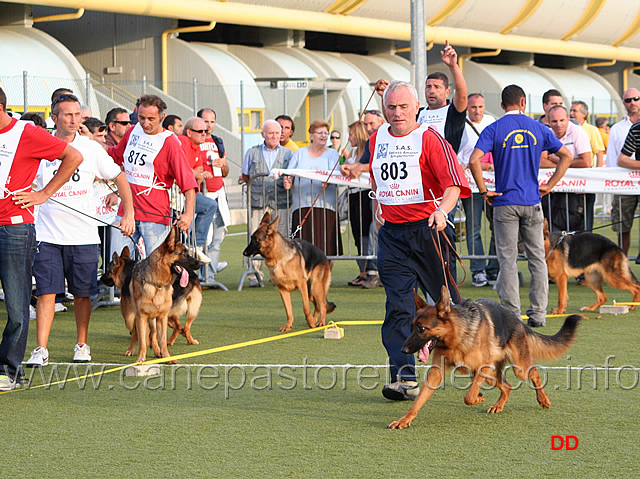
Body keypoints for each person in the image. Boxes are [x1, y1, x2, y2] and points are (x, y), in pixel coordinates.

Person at [369, 80, 470, 401]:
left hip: (429, 230)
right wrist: (377, 208)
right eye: (391, 107)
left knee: (449, 305)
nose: (397, 114)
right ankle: (404, 378)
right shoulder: (375, 139)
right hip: (393, 237)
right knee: (397, 308)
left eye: (403, 107)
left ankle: (475, 361)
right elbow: (376, 180)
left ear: (416, 108)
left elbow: (453, 184)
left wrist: (442, 210)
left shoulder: (430, 139)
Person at [25, 94, 135, 367]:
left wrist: (128, 212)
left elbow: (119, 176)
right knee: (46, 293)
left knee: (83, 293)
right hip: (47, 233)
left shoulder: (91, 148)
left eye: (78, 115)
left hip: (84, 235)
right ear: (54, 118)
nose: (74, 120)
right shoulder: (41, 145)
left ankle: (82, 344)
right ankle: (41, 349)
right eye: (67, 115)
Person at [469, 84, 572, 329]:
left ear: (502, 105)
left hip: (504, 202)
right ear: (523, 102)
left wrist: (484, 190)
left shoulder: (494, 128)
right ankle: (538, 314)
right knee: (537, 258)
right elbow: (566, 155)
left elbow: (473, 160)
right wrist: (550, 184)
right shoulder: (539, 128)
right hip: (532, 202)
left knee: (508, 259)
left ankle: (511, 315)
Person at [0, 87, 83, 390]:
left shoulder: (26, 132)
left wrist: (44, 193)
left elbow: (73, 156)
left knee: (17, 304)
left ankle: (9, 370)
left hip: (15, 228)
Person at [108, 94, 197, 256]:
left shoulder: (170, 142)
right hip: (126, 211)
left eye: (151, 119)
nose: (145, 123)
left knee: (155, 269)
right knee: (117, 266)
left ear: (162, 117)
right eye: (141, 118)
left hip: (155, 215)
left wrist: (188, 213)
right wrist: (90, 143)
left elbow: (187, 181)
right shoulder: (133, 132)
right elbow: (115, 154)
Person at [241, 119, 292, 285]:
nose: (274, 136)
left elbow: (291, 175)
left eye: (277, 133)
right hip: (258, 201)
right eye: (271, 133)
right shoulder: (251, 152)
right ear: (263, 134)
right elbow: (246, 175)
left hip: (281, 201)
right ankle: (254, 275)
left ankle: (281, 272)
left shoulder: (288, 153)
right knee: (256, 238)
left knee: (281, 238)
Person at [457, 93, 499, 287]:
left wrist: (485, 166)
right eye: (473, 107)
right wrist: (479, 166)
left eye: (480, 106)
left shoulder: (492, 122)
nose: (477, 110)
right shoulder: (460, 126)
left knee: (497, 227)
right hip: (471, 186)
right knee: (473, 229)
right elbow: (458, 157)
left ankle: (493, 268)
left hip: (493, 184)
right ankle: (477, 270)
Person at [284, 119, 343, 257]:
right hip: (302, 206)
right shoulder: (300, 153)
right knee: (302, 248)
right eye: (320, 133)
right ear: (311, 135)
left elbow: (335, 174)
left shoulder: (332, 154)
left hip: (326, 207)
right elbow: (289, 172)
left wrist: (327, 181)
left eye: (326, 133)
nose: (324, 136)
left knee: (326, 248)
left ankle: (324, 276)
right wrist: (288, 180)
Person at [541, 105, 591, 233]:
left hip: (579, 192)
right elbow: (541, 162)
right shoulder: (546, 133)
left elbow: (586, 162)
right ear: (548, 121)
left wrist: (559, 160)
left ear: (568, 119)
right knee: (555, 233)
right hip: (555, 192)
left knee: (580, 235)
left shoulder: (578, 132)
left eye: (562, 120)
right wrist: (565, 163)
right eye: (554, 121)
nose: (558, 124)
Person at [178, 116, 218, 264]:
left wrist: (196, 174)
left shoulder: (197, 146)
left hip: (186, 194)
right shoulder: (182, 142)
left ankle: (195, 245)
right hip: (174, 196)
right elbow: (181, 168)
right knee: (209, 206)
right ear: (189, 132)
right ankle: (192, 245)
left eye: (206, 131)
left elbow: (198, 169)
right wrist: (196, 174)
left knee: (210, 205)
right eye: (200, 131)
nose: (204, 134)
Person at [340, 120, 374, 287]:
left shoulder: (369, 151)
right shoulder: (352, 153)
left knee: (367, 233)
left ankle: (370, 270)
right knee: (357, 234)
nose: (349, 138)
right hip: (353, 194)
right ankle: (363, 271)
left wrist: (355, 167)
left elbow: (370, 167)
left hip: (366, 194)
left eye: (351, 134)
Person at [606, 88, 640, 255]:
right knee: (622, 226)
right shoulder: (617, 128)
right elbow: (614, 159)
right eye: (628, 100)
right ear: (624, 103)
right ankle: (622, 264)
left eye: (635, 98)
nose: (632, 102)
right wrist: (613, 184)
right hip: (623, 183)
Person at [197, 108, 230, 273]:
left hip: (218, 194)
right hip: (202, 196)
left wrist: (223, 164)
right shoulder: (193, 142)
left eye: (212, 121)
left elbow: (226, 172)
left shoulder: (218, 141)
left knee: (218, 236)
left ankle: (209, 275)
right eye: (205, 121)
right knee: (203, 237)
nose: (209, 125)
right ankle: (199, 273)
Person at [570, 101, 605, 235]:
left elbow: (599, 152)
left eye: (575, 111)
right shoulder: (568, 129)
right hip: (570, 180)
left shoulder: (591, 130)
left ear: (584, 114)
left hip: (586, 180)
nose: (572, 113)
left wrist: (597, 175)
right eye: (571, 110)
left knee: (586, 216)